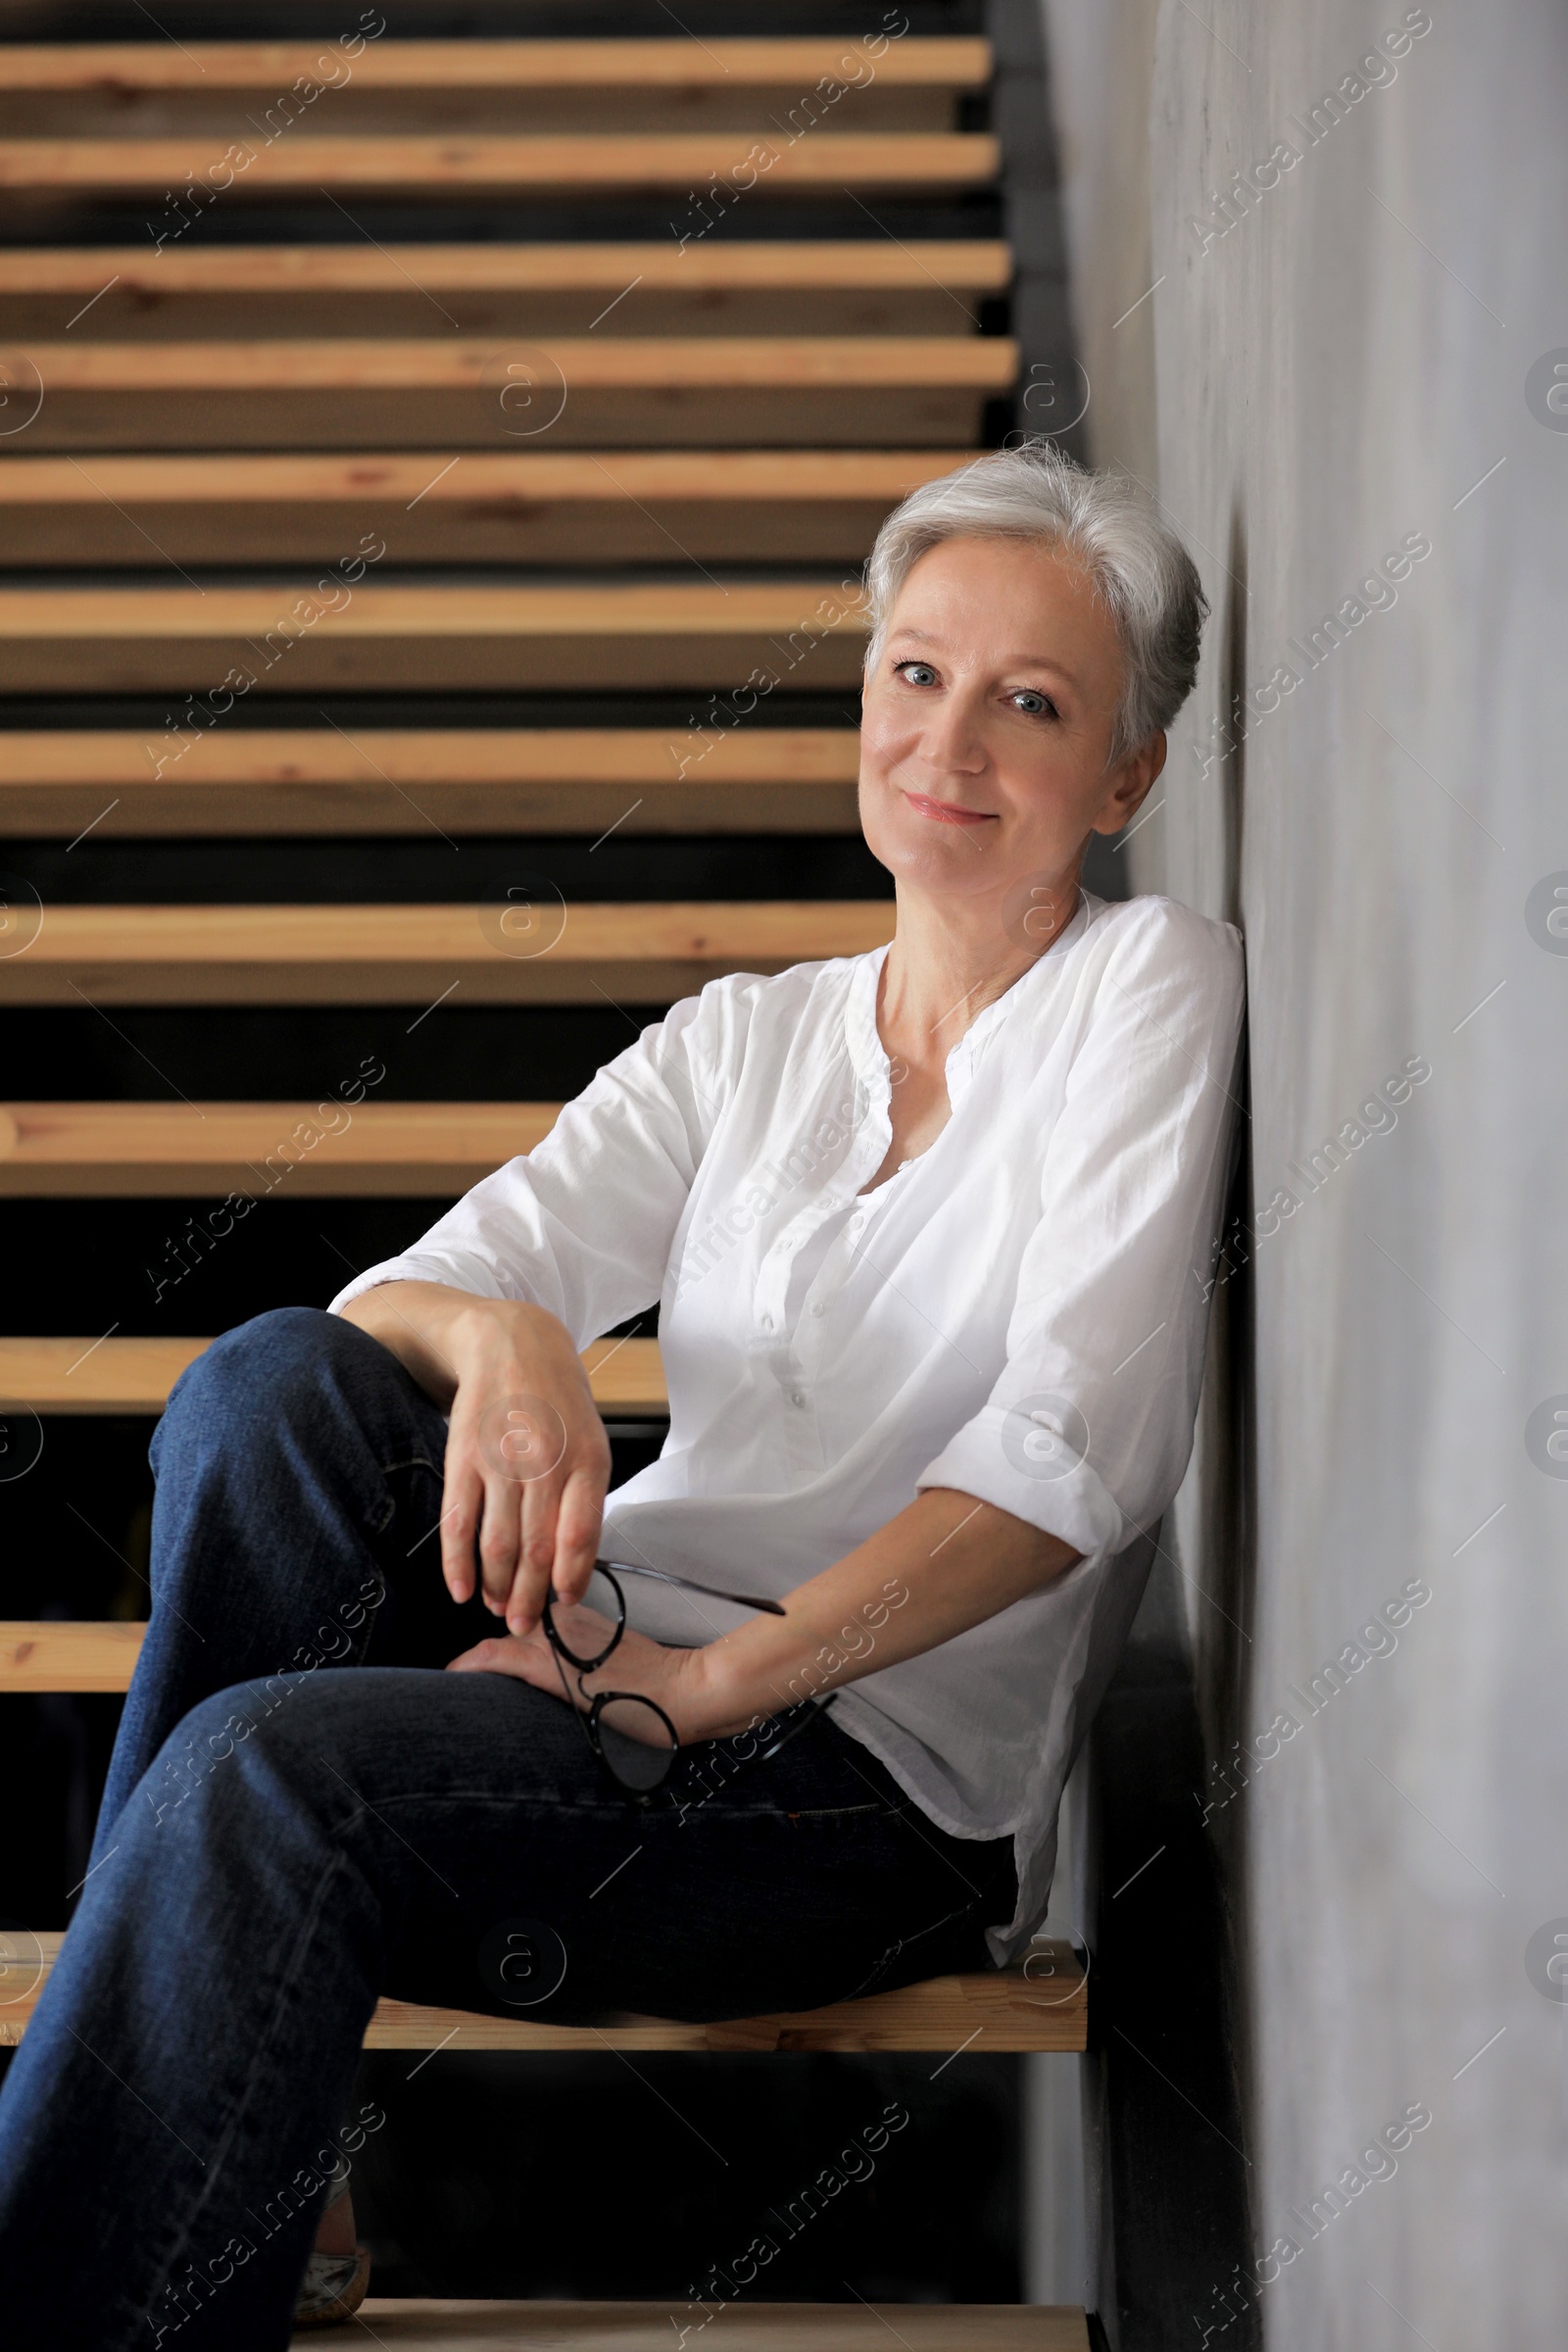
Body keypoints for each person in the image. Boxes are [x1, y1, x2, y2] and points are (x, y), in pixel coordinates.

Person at [0, 443, 1245, 2349]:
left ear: (1125, 776)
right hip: (600, 1652)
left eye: (1031, 702)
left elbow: (1071, 1459)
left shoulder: (1141, 989)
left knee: (253, 1774)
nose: (949, 742)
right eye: (913, 674)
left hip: (847, 1785)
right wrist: (508, 1342)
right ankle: (235, 2161)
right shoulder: (746, 1035)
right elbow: (402, 1298)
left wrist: (688, 1690)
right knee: (273, 1386)